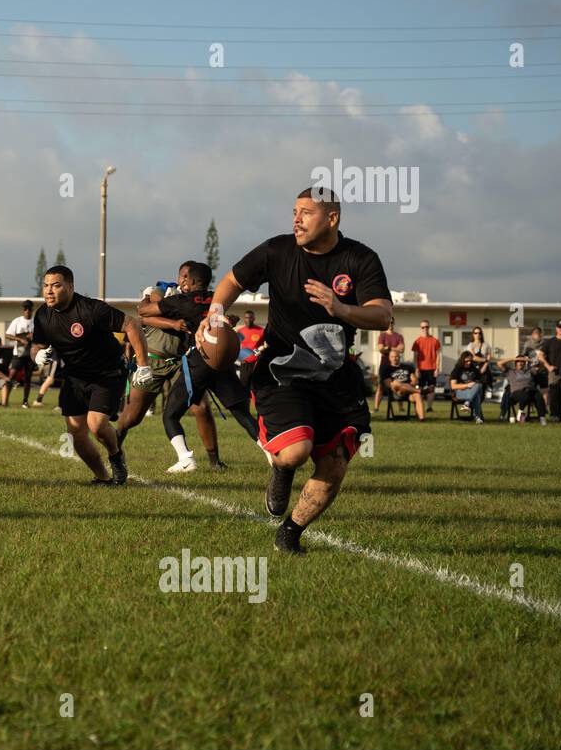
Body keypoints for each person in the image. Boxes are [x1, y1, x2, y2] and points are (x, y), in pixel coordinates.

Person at [196, 187, 392, 555]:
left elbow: (382, 314)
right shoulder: (277, 250)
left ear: (331, 219)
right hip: (281, 369)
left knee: (334, 465)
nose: (296, 219)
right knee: (296, 451)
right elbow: (232, 282)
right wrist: (215, 314)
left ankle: (290, 533)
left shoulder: (360, 259)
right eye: (294, 212)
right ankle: (282, 470)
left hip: (335, 375)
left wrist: (343, 310)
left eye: (306, 212)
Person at [30, 265, 153, 485]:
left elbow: (132, 324)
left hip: (107, 373)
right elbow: (36, 345)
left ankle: (115, 454)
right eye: (46, 285)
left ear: (70, 287)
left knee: (96, 426)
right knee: (76, 434)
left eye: (56, 285)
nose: (49, 291)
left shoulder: (90, 309)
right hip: (75, 376)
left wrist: (144, 365)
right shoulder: (42, 315)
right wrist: (37, 355)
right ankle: (103, 478)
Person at [146, 261, 261, 473]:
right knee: (242, 414)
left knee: (170, 415)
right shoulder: (218, 298)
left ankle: (185, 459)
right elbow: (225, 319)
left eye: (184, 278)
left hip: (199, 360)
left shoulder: (182, 300)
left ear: (190, 280)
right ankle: (271, 453)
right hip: (221, 362)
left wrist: (151, 295)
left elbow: (144, 311)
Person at [498, 355, 547, 424]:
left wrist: (528, 360)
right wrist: (513, 358)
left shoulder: (530, 371)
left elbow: (542, 364)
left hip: (530, 391)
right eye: (518, 361)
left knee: (538, 395)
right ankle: (520, 412)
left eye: (522, 361)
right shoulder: (510, 372)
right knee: (524, 395)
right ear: (515, 363)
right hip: (516, 393)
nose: (520, 363)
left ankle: (542, 417)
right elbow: (499, 363)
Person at [5, 300, 36, 407]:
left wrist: (34, 336)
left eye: (29, 309)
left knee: (28, 378)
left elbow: (43, 337)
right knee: (12, 375)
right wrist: (20, 339)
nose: (27, 311)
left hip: (30, 354)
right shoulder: (17, 321)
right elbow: (7, 335)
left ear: (32, 310)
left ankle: (25, 401)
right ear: (23, 310)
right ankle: (5, 400)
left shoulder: (35, 322)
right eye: (25, 309)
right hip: (18, 354)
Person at [382, 347, 425, 421]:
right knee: (395, 382)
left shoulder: (407, 367)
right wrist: (401, 386)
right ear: (389, 358)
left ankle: (422, 419)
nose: (395, 358)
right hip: (396, 392)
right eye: (392, 357)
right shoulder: (387, 369)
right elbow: (389, 384)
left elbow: (415, 380)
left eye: (396, 356)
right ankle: (418, 390)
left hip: (409, 393)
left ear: (399, 357)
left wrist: (407, 386)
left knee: (417, 395)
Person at [372, 316, 405, 412]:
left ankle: (401, 407)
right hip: (385, 365)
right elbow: (381, 348)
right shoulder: (382, 336)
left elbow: (402, 349)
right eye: (389, 322)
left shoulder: (399, 336)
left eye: (392, 322)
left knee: (399, 384)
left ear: (394, 323)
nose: (390, 324)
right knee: (381, 386)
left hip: (396, 365)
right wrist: (395, 348)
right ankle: (376, 407)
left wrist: (389, 348)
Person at [449, 350, 487, 423]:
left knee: (478, 387)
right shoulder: (457, 369)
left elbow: (480, 381)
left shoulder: (474, 369)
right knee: (476, 395)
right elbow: (453, 386)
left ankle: (467, 403)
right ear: (463, 360)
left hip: (472, 391)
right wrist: (467, 385)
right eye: (467, 361)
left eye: (470, 360)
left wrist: (474, 384)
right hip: (460, 392)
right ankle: (477, 417)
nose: (469, 362)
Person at [411, 320, 441, 413]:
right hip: (421, 368)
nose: (425, 329)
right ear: (421, 328)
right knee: (420, 388)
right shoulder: (417, 341)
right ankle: (420, 407)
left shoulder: (434, 340)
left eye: (427, 327)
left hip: (432, 368)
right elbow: (415, 357)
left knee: (431, 387)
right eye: (423, 327)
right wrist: (416, 369)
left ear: (429, 327)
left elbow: (438, 355)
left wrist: (437, 368)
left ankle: (429, 407)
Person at [541, 319, 561, 420]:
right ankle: (555, 415)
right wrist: (548, 366)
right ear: (556, 328)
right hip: (554, 372)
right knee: (554, 393)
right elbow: (541, 355)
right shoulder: (550, 342)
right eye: (560, 327)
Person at [235, 309, 266, 388]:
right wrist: (239, 358)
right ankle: (246, 400)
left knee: (257, 386)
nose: (248, 319)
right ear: (244, 319)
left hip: (257, 363)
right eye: (246, 318)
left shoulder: (261, 331)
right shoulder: (241, 331)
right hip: (245, 363)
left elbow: (266, 345)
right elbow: (236, 346)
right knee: (244, 386)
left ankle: (256, 400)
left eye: (250, 318)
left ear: (254, 319)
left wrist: (259, 351)